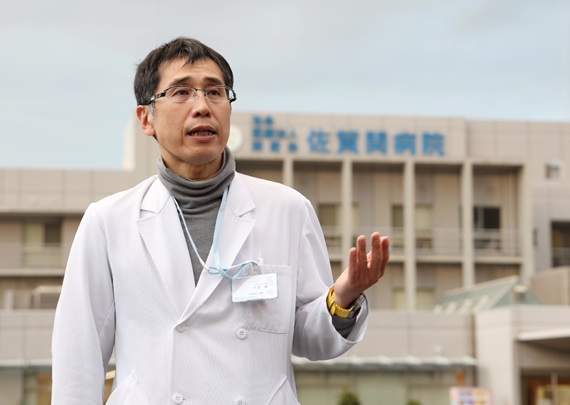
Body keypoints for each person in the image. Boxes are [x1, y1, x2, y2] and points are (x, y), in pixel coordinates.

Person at [51, 37, 389, 405]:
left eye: (215, 92)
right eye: (181, 92)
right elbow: (78, 354)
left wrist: (343, 297)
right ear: (146, 118)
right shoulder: (109, 221)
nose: (202, 107)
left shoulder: (288, 208)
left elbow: (311, 338)